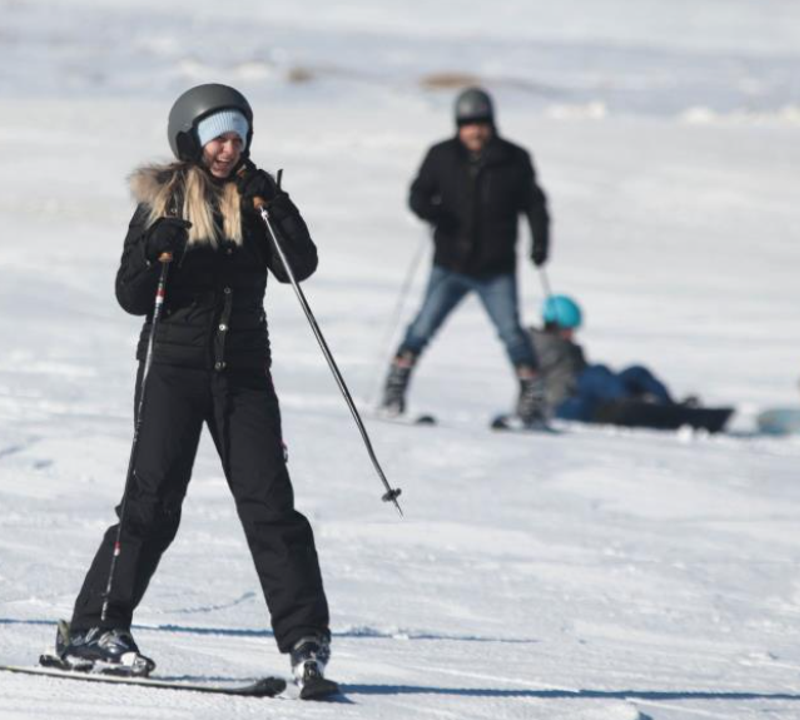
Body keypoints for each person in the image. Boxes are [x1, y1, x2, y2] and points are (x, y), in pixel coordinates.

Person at [54, 84, 332, 688]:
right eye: (219, 138)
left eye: (238, 138)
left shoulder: (257, 197)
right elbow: (131, 297)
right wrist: (156, 250)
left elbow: (297, 267)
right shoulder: (166, 200)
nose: (229, 149)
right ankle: (96, 627)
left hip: (244, 376)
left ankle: (306, 638)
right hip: (172, 372)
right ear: (192, 141)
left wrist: (275, 202)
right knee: (151, 505)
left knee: (270, 507)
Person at [380, 87, 551, 425]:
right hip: (450, 264)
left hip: (496, 266)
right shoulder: (441, 156)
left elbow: (534, 205)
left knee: (512, 333)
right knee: (422, 327)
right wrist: (430, 211)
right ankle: (394, 391)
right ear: (458, 125)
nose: (475, 130)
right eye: (468, 123)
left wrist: (540, 243)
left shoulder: (514, 159)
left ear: (492, 124)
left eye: (481, 123)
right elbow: (417, 194)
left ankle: (532, 399)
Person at [529, 295, 676, 422]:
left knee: (636, 372)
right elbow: (534, 374)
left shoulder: (567, 345)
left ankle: (670, 407)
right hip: (562, 406)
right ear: (555, 326)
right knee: (597, 373)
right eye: (569, 329)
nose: (572, 334)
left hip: (586, 395)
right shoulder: (538, 345)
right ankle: (631, 408)